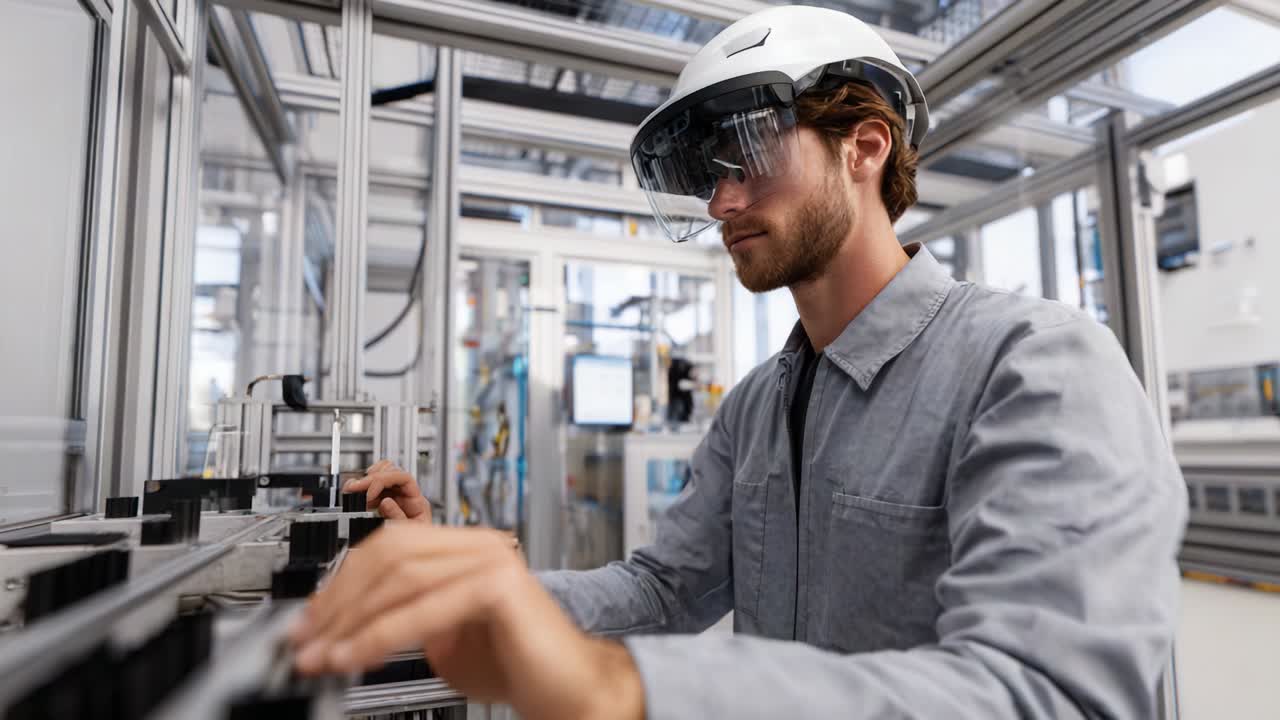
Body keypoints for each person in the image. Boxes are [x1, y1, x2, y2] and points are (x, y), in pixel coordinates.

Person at [289, 6, 1187, 718]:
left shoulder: (1034, 369)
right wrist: (474, 587)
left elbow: (1052, 696)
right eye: (706, 171)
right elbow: (660, 589)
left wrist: (623, 691)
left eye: (749, 153)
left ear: (865, 147)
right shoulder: (759, 407)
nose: (722, 200)